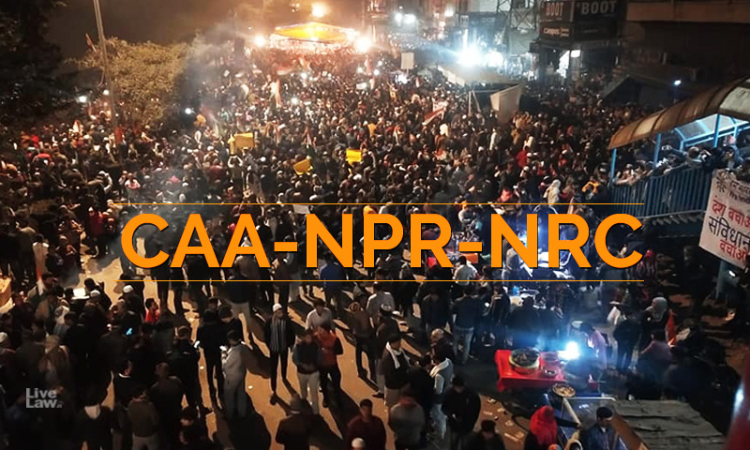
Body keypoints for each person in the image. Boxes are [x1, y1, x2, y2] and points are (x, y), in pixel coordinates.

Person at [264, 303, 295, 402]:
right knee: (273, 368)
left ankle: (284, 376)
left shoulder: (287, 321)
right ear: (274, 312)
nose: (279, 313)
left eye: (280, 311)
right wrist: (269, 345)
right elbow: (266, 334)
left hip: (283, 347)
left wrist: (290, 344)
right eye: (277, 311)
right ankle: (273, 388)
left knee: (284, 363)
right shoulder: (269, 321)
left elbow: (291, 333)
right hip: (273, 348)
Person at [149, 363, 184, 449]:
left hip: (164, 416)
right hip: (176, 412)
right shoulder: (176, 381)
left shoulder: (155, 388)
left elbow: (154, 403)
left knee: (168, 436)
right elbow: (181, 393)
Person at [442, 376, 481, 450]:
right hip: (454, 424)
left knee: (465, 443)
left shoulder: (472, 395)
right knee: (453, 442)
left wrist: (471, 423)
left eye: (461, 387)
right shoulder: (449, 393)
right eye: (458, 387)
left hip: (467, 425)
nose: (460, 389)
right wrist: (451, 415)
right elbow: (444, 408)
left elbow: (476, 411)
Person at [196, 309, 226, 404]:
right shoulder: (219, 327)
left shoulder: (201, 328)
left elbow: (199, 341)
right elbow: (223, 339)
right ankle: (221, 391)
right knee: (219, 370)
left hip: (208, 352)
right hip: (217, 351)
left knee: (209, 371)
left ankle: (212, 390)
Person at [222, 329, 252, 420]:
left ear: (231, 340)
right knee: (241, 393)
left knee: (229, 395)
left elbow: (226, 365)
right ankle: (242, 413)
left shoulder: (234, 351)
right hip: (242, 372)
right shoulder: (243, 346)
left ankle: (230, 414)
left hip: (232, 376)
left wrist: (223, 355)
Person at [451, 285, 482, 364]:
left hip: (459, 324)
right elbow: (479, 313)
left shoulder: (458, 301)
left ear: (463, 292)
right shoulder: (475, 302)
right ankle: (464, 360)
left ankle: (454, 357)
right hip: (469, 325)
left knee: (455, 342)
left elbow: (453, 311)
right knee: (467, 344)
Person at [292, 329, 321, 415]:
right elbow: (294, 359)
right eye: (306, 337)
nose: (308, 339)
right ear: (304, 337)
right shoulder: (298, 346)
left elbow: (320, 359)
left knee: (314, 393)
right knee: (303, 390)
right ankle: (304, 406)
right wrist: (302, 365)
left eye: (310, 337)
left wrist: (315, 366)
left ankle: (316, 412)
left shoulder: (316, 346)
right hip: (302, 372)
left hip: (314, 373)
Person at [315, 322, 343, 408]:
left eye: (321, 330)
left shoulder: (334, 339)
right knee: (323, 383)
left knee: (336, 384)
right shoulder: (316, 337)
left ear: (326, 331)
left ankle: (338, 400)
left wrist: (329, 351)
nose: (319, 331)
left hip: (332, 364)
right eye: (319, 329)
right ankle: (326, 399)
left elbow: (340, 351)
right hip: (321, 365)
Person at [348, 299, 376, 380]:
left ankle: (360, 371)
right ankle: (373, 374)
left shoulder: (354, 316)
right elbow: (367, 327)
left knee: (358, 354)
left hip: (360, 337)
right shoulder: (364, 314)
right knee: (370, 356)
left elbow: (357, 328)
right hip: (367, 337)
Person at [430, 351, 454, 439]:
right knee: (442, 414)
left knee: (438, 416)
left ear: (437, 360)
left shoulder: (439, 375)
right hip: (447, 392)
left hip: (438, 399)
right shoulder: (449, 362)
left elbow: (438, 391)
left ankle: (440, 433)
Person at [127, 385, 160, 450]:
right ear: (140, 395)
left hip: (136, 434)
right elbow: (155, 421)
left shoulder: (130, 405)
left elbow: (129, 418)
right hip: (149, 435)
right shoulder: (149, 406)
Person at [381, 334, 409, 408]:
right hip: (393, 387)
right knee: (392, 406)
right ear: (392, 343)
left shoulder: (398, 351)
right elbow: (391, 375)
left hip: (401, 384)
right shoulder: (388, 357)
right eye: (398, 342)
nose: (400, 344)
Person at [612, 308, 640, 373]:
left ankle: (625, 369)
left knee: (628, 357)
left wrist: (634, 342)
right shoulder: (623, 324)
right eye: (631, 316)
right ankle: (618, 369)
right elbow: (615, 333)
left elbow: (637, 334)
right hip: (622, 344)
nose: (633, 317)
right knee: (620, 356)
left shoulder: (636, 325)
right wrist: (621, 341)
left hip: (630, 344)